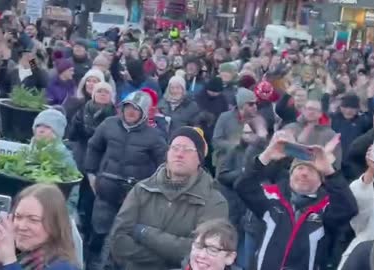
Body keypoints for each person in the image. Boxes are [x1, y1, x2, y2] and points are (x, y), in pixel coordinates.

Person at [234, 130, 357, 270]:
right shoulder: (271, 197)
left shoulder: (326, 207)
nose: (304, 173)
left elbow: (349, 208)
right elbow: (242, 186)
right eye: (300, 168)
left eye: (311, 171)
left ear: (320, 181)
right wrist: (266, 156)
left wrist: (329, 172)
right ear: (291, 174)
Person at [110, 126, 228, 270]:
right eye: (175, 148)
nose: (179, 154)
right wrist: (161, 263)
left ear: (200, 158)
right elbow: (118, 239)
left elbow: (200, 251)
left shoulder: (213, 201)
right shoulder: (142, 189)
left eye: (187, 150)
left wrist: (144, 233)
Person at [84, 90, 167, 270]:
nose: (130, 112)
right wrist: (92, 175)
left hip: (133, 197)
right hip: (105, 191)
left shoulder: (154, 136)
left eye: (136, 109)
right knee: (98, 234)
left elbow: (164, 166)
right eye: (128, 107)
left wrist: (149, 189)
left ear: (143, 113)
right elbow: (94, 146)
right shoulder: (109, 125)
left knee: (121, 239)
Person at [213, 88, 265, 172]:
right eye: (251, 104)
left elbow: (263, 145)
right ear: (242, 105)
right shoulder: (225, 118)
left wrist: (257, 140)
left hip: (247, 167)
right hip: (226, 166)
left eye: (256, 103)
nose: (255, 107)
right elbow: (216, 141)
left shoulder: (259, 120)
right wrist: (236, 145)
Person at [69, 82, 116, 174]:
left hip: (102, 160)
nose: (103, 94)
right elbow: (72, 136)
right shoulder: (82, 112)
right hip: (81, 156)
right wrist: (77, 123)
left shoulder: (115, 116)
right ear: (94, 94)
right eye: (99, 91)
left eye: (106, 92)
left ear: (111, 96)